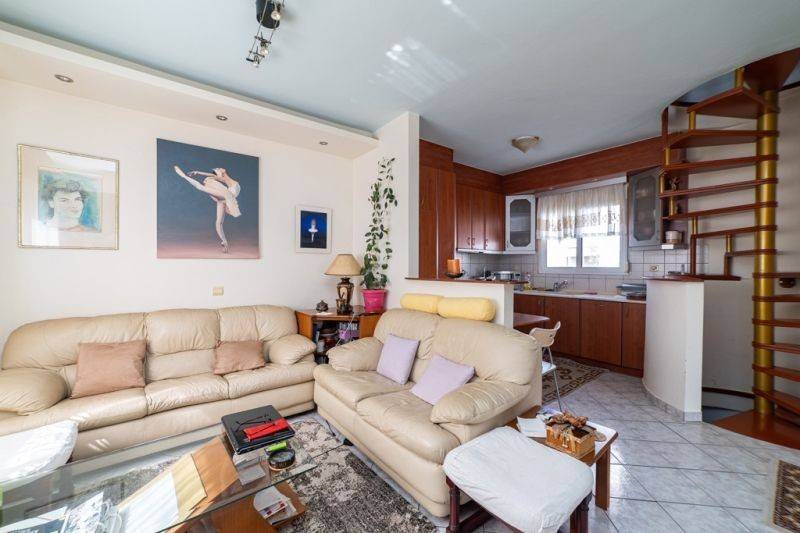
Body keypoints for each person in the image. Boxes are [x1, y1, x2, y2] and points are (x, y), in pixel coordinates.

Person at [173, 166, 241, 253]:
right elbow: (207, 180)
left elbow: (212, 175)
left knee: (219, 221)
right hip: (225, 197)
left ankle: (224, 241)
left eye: (218, 168)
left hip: (225, 197)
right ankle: (224, 241)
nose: (219, 168)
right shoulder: (220, 183)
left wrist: (197, 172)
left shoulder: (223, 179)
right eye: (218, 169)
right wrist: (185, 176)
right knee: (218, 222)